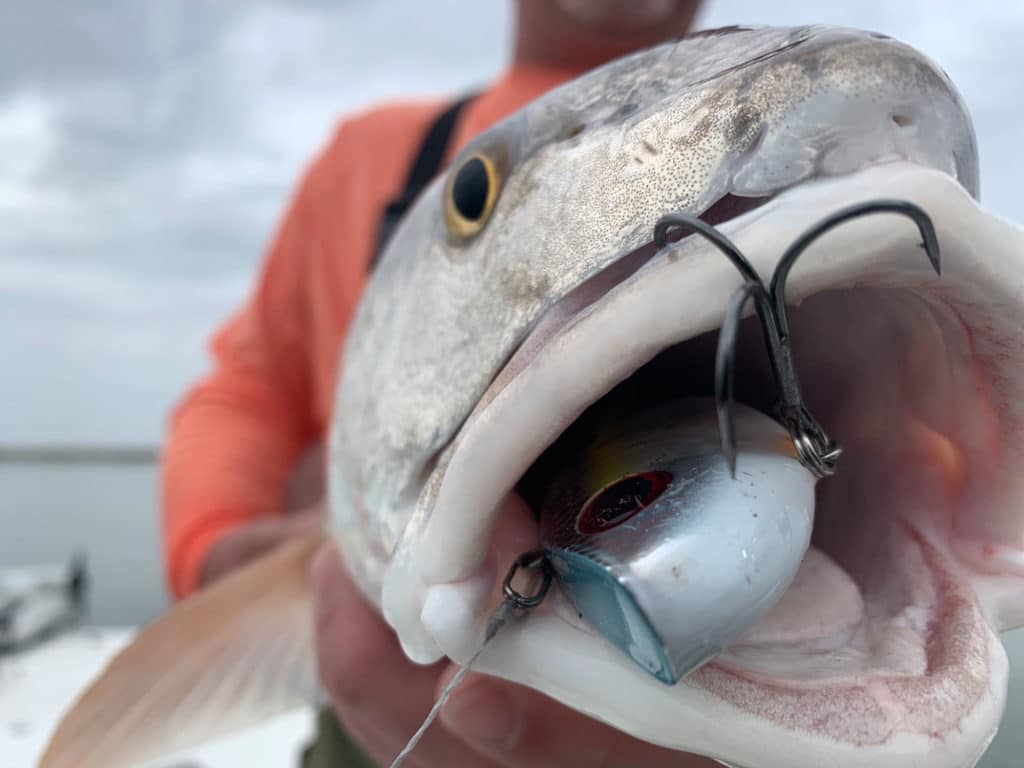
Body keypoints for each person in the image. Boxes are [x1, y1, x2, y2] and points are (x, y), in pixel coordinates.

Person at [161, 1, 713, 765]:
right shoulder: (370, 154)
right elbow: (251, 387)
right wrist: (215, 545)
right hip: (376, 709)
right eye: (473, 198)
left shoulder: (801, 158)